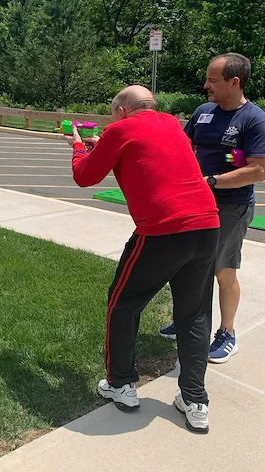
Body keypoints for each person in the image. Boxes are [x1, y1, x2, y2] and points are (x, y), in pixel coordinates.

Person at [68, 85, 220, 433]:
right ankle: (195, 400)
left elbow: (84, 176)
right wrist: (101, 149)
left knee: (123, 304)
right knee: (193, 314)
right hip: (208, 225)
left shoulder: (119, 129)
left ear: (122, 110)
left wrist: (78, 146)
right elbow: (149, 157)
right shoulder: (172, 125)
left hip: (162, 231)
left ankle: (122, 384)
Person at [159, 54, 265, 363]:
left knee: (223, 270)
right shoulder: (204, 112)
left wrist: (211, 181)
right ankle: (189, 322)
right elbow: (183, 146)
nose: (206, 85)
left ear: (235, 82)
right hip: (196, 203)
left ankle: (227, 334)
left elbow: (259, 170)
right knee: (190, 266)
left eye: (213, 80)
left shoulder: (254, 119)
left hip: (230, 206)